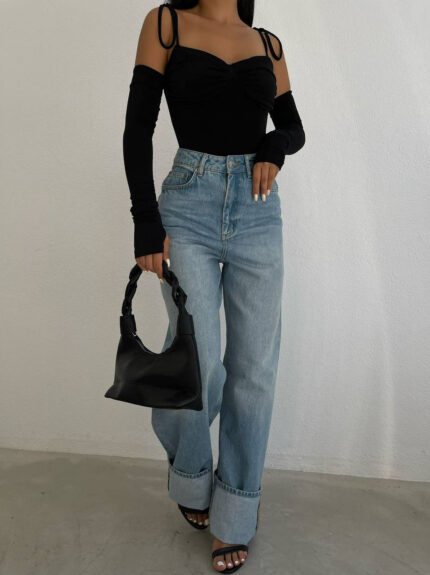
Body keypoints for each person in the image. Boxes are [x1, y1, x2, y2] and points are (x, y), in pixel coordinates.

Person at [122, 1, 305, 571]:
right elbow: (138, 126)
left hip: (257, 211)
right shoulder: (165, 24)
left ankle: (236, 511)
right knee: (197, 358)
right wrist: (145, 220)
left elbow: (293, 127)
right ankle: (192, 475)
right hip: (188, 205)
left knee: (255, 369)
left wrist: (274, 147)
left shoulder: (268, 44)